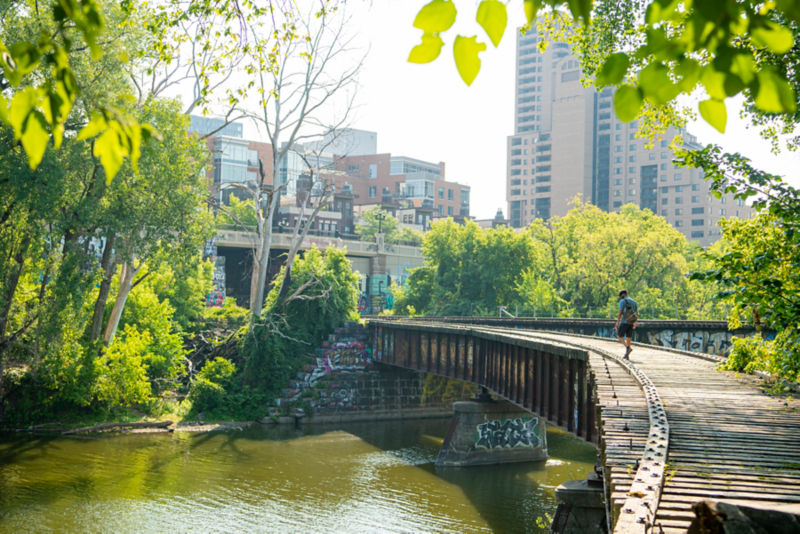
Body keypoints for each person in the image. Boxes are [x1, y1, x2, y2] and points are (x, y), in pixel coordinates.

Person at [615, 289, 638, 359]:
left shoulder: (622, 301)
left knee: (619, 336)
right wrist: (635, 322)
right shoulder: (634, 302)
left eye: (621, 295)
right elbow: (636, 313)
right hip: (631, 322)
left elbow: (620, 312)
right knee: (628, 337)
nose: (621, 297)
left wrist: (617, 322)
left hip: (624, 322)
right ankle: (627, 355)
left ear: (623, 294)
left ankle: (628, 348)